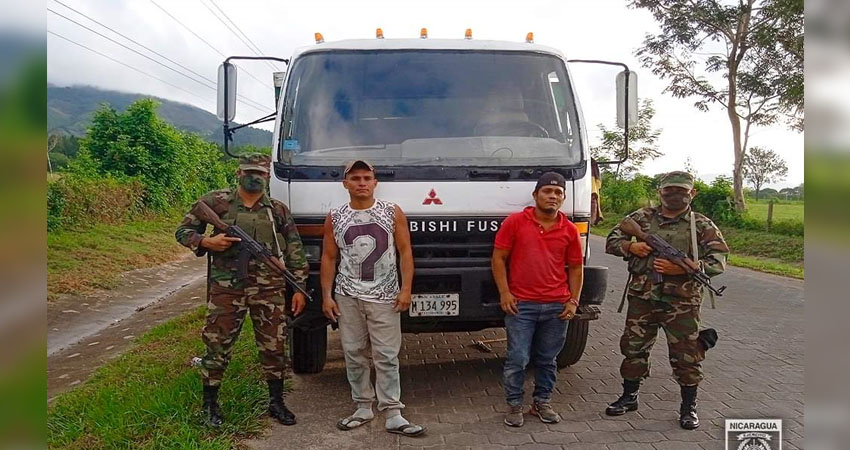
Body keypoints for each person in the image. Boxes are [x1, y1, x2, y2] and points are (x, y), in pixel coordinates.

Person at [175, 154, 308, 428]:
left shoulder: (277, 210)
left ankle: (276, 402)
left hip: (269, 290)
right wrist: (207, 242)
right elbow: (183, 231)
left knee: (274, 346)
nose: (254, 177)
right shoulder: (216, 202)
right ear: (238, 173)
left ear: (268, 176)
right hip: (226, 289)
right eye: (249, 172)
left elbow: (295, 249)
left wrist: (299, 287)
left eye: (260, 173)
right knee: (217, 345)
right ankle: (210, 405)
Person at [604, 171, 729, 430]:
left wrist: (686, 268)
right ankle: (629, 397)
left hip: (682, 303)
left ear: (692, 193)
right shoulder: (642, 217)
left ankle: (688, 406)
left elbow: (719, 259)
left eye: (681, 191)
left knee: (687, 355)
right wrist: (631, 247)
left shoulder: (701, 224)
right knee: (633, 349)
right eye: (669, 190)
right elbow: (612, 239)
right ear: (660, 192)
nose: (674, 195)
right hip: (642, 298)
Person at [319, 160, 425, 437]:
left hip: (385, 294)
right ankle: (362, 406)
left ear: (375, 183)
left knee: (386, 355)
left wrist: (406, 289)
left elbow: (405, 251)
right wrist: (326, 296)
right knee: (354, 353)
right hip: (348, 294)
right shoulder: (335, 216)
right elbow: (329, 257)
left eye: (367, 178)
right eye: (355, 178)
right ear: (345, 184)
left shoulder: (391, 211)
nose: (362, 183)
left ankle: (393, 412)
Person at [491, 172, 584, 427]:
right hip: (521, 306)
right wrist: (505, 292)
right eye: (547, 191)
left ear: (563, 198)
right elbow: (498, 258)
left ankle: (541, 402)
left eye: (558, 193)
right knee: (518, 359)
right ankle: (514, 405)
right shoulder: (515, 222)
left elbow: (576, 268)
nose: (553, 196)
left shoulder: (570, 230)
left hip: (557, 307)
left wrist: (573, 301)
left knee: (547, 360)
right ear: (535, 195)